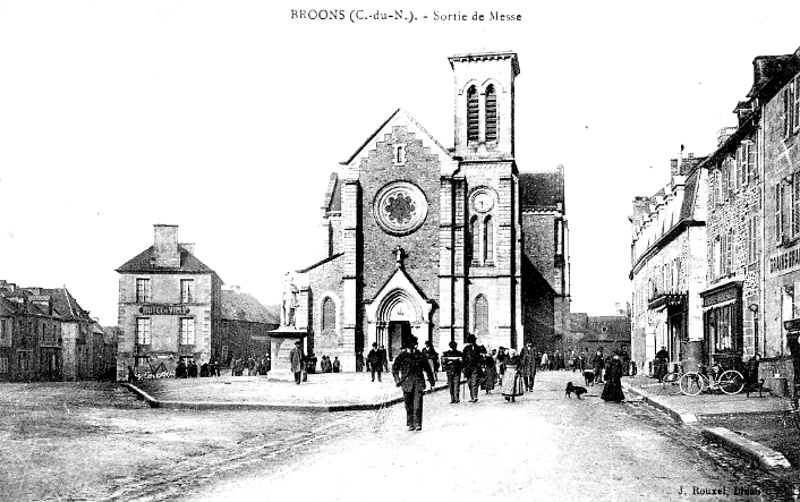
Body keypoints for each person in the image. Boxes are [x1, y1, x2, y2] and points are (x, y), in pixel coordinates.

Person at [391, 336, 435, 431]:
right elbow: (394, 368)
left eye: (412, 346)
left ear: (415, 345)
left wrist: (432, 382)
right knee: (408, 405)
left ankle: (417, 423)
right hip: (406, 383)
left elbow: (428, 369)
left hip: (418, 382)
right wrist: (397, 380)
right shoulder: (402, 356)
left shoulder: (420, 355)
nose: (411, 349)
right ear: (406, 347)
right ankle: (410, 423)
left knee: (418, 404)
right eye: (409, 347)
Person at [462, 334, 482, 403]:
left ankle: (474, 397)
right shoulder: (466, 349)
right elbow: (463, 358)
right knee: (469, 382)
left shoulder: (478, 348)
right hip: (467, 368)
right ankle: (472, 396)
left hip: (475, 367)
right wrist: (463, 368)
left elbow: (480, 358)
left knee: (474, 382)